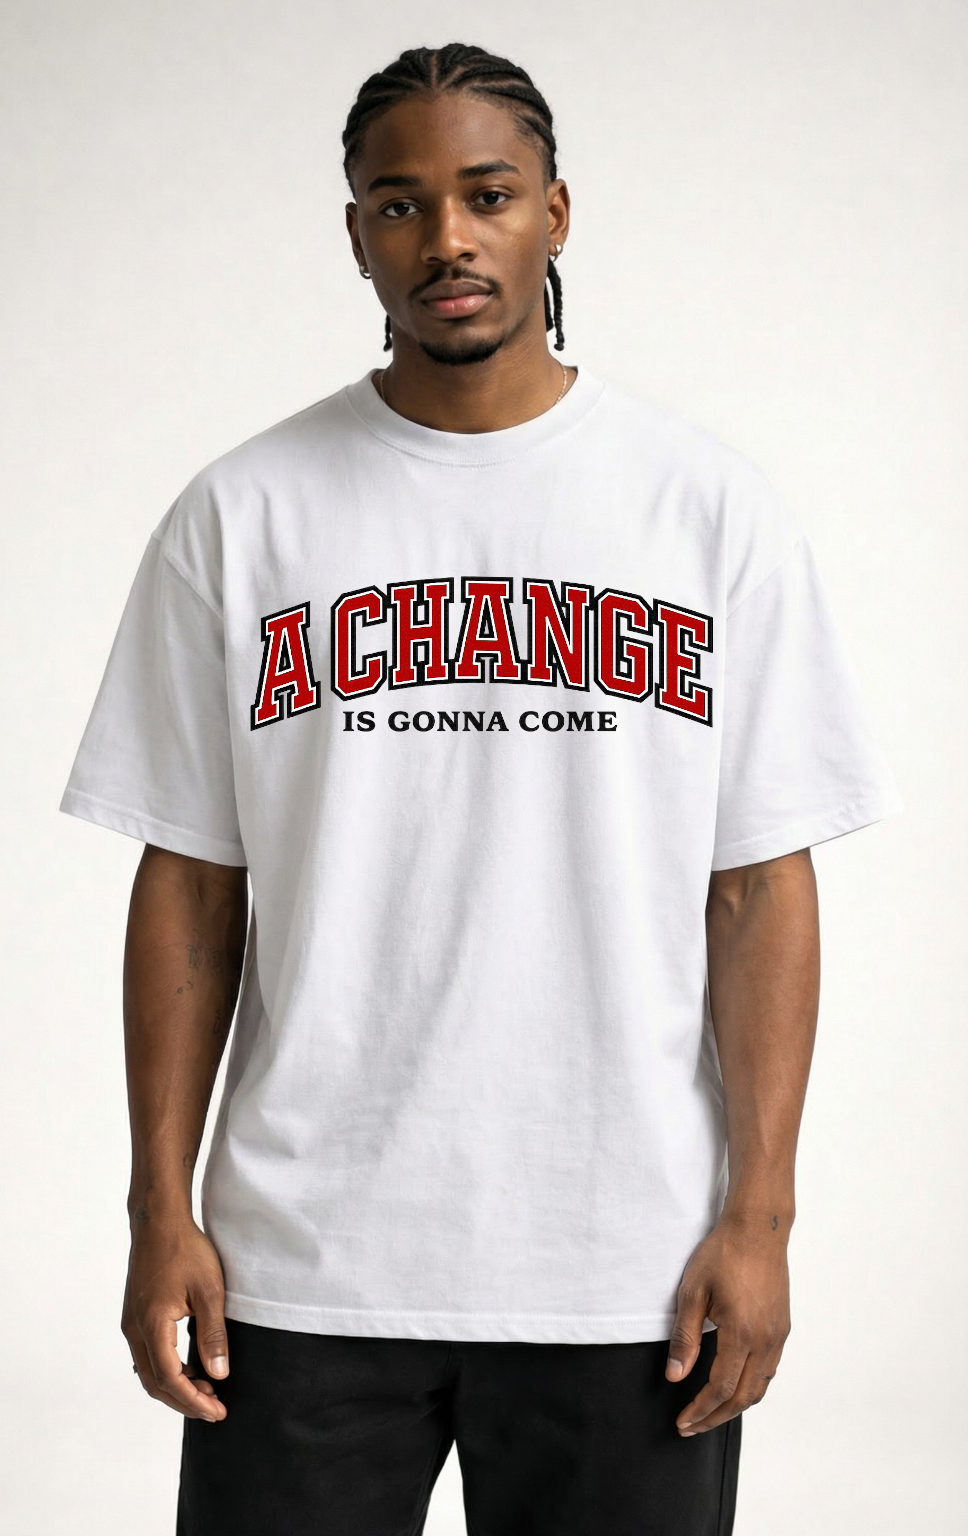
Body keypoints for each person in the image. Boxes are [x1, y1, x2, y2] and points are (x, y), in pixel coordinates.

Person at [61, 42, 900, 1536]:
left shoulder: (705, 511)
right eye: (400, 203)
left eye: (488, 195)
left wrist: (762, 1218)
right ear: (357, 234)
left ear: (555, 214)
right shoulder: (243, 514)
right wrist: (157, 1209)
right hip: (299, 1264)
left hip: (628, 1267)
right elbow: (188, 884)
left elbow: (761, 883)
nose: (445, 237)